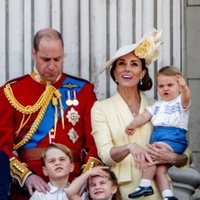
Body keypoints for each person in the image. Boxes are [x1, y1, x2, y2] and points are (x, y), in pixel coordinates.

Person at [91, 28, 191, 200]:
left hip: (160, 191)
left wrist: (173, 157)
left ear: (143, 73)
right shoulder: (101, 108)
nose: (127, 69)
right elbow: (106, 155)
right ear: (114, 72)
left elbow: (186, 153)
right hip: (124, 191)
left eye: (134, 64)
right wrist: (130, 147)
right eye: (121, 63)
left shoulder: (157, 105)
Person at [0, 28, 99, 200]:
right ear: (34, 53)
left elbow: (96, 143)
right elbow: (2, 147)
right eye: (45, 59)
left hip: (74, 182)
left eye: (57, 59)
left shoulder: (83, 90)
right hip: (29, 185)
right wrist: (26, 176)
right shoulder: (11, 91)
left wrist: (85, 179)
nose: (52, 66)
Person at [125, 66, 190, 200]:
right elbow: (144, 116)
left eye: (170, 85)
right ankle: (168, 195)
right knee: (160, 170)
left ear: (179, 85)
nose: (165, 88)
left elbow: (186, 97)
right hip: (160, 136)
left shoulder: (180, 102)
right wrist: (133, 124)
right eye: (161, 86)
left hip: (173, 136)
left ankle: (144, 185)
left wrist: (184, 88)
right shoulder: (158, 105)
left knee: (150, 156)